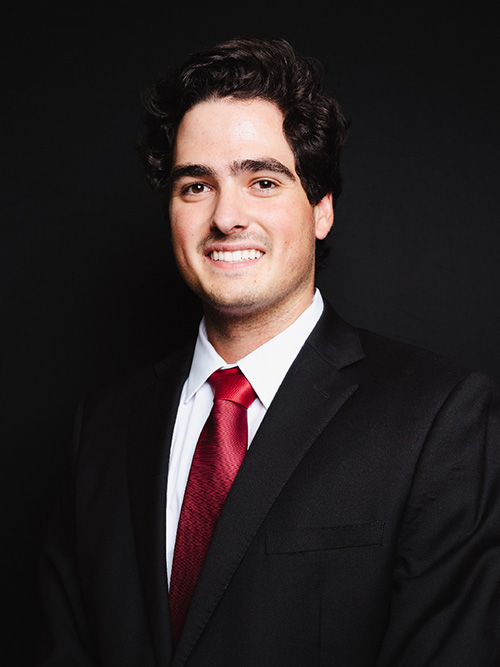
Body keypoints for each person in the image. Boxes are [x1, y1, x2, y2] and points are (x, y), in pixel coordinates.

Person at [37, 36, 500, 666]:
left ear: (321, 210)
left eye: (262, 181)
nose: (226, 216)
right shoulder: (102, 427)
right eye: (195, 186)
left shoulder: (439, 418)